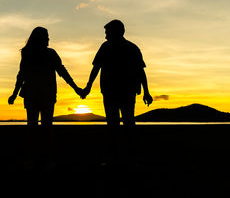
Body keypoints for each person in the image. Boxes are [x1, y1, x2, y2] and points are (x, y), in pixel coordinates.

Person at [81, 20, 153, 165]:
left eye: (107, 33)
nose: (106, 36)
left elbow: (140, 72)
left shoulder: (128, 48)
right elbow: (96, 68)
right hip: (112, 92)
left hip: (121, 92)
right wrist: (88, 86)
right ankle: (120, 157)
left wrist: (146, 91)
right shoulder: (114, 47)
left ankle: (124, 157)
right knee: (120, 124)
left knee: (122, 123)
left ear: (116, 32)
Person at [8, 26, 82, 170]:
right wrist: (14, 93)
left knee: (35, 128)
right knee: (43, 128)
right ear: (41, 38)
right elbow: (22, 74)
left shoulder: (33, 53)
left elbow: (22, 74)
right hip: (41, 95)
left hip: (38, 95)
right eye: (47, 36)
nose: (49, 39)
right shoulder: (42, 53)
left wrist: (15, 93)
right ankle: (42, 159)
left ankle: (36, 159)